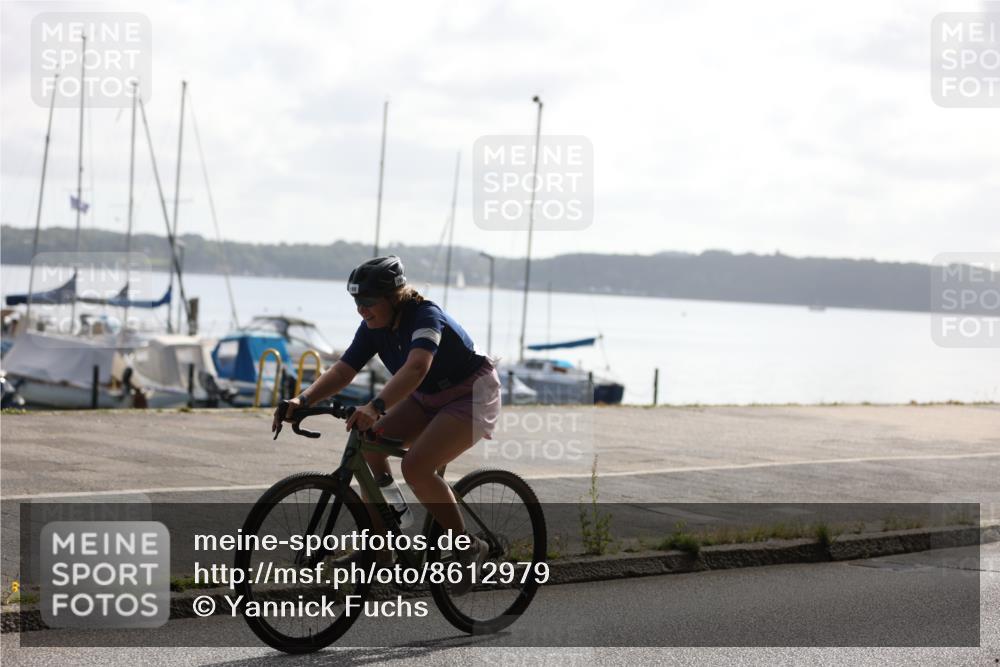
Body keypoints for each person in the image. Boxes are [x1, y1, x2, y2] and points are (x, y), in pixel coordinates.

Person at [272, 255, 501, 594]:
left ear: (394, 297)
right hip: (426, 395)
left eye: (367, 301)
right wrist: (302, 400)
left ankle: (468, 547)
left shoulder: (426, 316)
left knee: (416, 467)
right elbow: (343, 370)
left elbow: (417, 367)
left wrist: (376, 406)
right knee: (370, 448)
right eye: (356, 301)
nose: (361, 309)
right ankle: (382, 549)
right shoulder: (373, 326)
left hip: (471, 395)